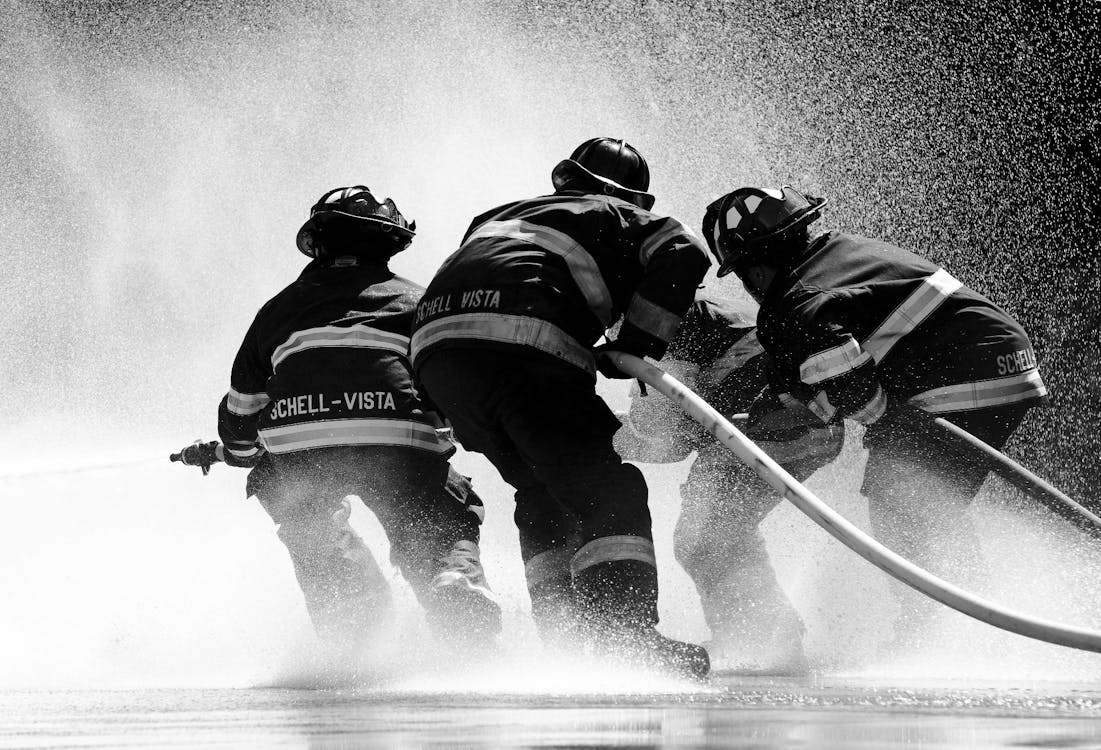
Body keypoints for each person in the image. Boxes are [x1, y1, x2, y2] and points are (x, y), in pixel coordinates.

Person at [409, 138, 712, 677]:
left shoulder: (497, 217)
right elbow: (684, 250)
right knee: (607, 487)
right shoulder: (615, 212)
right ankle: (627, 646)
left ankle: (566, 645)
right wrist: (639, 343)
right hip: (522, 351)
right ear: (631, 196)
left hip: (438, 361)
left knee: (543, 490)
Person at [700, 185, 1050, 647]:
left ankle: (943, 636)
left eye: (744, 271)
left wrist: (881, 419)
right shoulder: (840, 255)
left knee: (900, 502)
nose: (748, 286)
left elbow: (845, 376)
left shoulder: (796, 299)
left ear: (759, 260)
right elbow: (834, 368)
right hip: (994, 357)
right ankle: (970, 619)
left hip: (960, 369)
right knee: (926, 502)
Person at [181, 185, 500, 653]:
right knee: (433, 523)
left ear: (319, 244)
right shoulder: (419, 301)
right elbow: (452, 380)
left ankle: (351, 625)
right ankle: (450, 577)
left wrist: (242, 453)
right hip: (395, 435)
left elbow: (242, 408)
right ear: (389, 242)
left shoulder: (277, 310)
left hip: (298, 447)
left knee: (313, 536)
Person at [613, 291, 843, 673]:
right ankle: (765, 635)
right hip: (781, 427)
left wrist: (596, 435)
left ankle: (766, 641)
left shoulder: (658, 320)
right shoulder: (686, 309)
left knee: (704, 538)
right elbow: (677, 426)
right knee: (719, 531)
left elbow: (666, 434)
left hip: (771, 430)